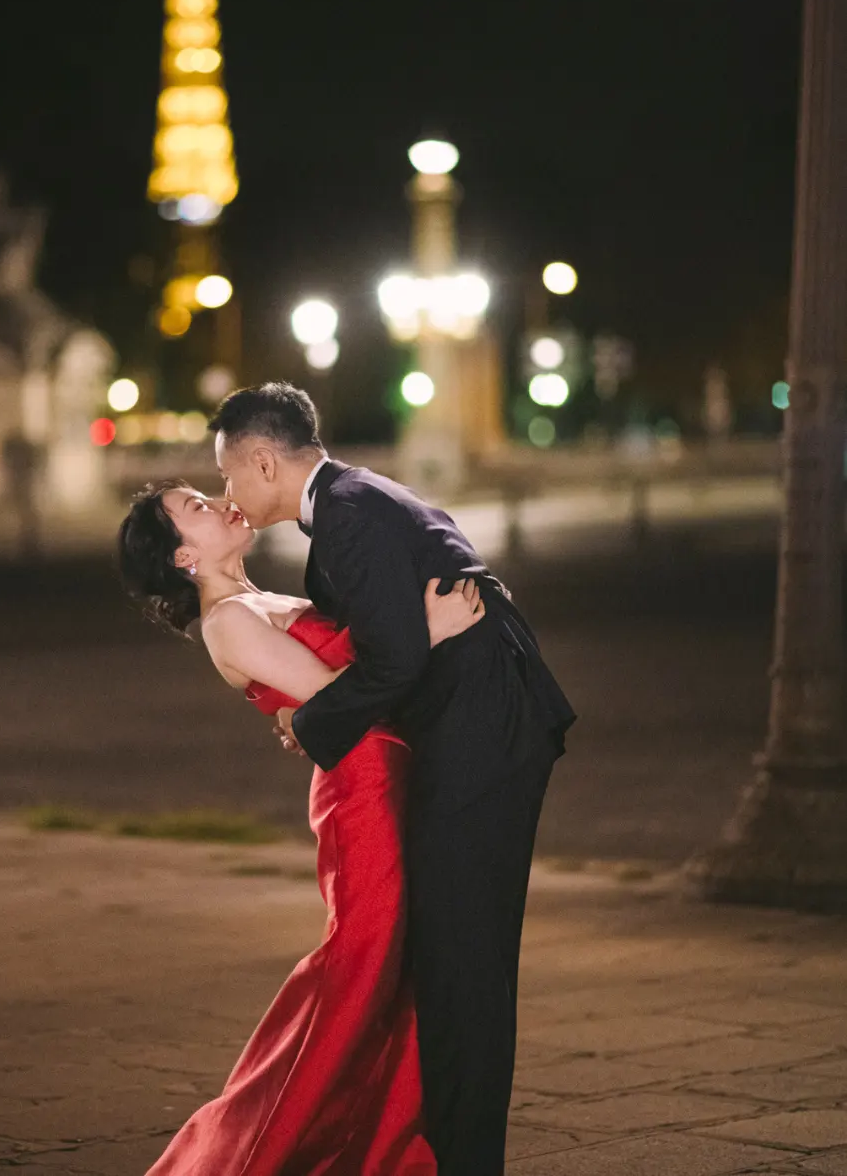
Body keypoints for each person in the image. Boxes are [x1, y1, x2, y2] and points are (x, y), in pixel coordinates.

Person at [210, 383, 576, 1176]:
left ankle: (464, 1160)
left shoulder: (347, 514)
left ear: (264, 461)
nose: (227, 492)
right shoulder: (355, 499)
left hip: (483, 733)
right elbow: (401, 637)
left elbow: (395, 660)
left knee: (462, 966)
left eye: (228, 474)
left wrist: (306, 722)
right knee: (456, 960)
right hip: (481, 725)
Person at [118, 480, 485, 1175]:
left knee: (398, 966)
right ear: (183, 558)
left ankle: (380, 1145)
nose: (219, 502)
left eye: (205, 494)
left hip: (391, 770)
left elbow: (332, 691)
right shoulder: (226, 621)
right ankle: (249, 1146)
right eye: (197, 509)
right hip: (361, 790)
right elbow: (337, 697)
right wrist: (430, 632)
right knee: (360, 966)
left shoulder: (258, 599)